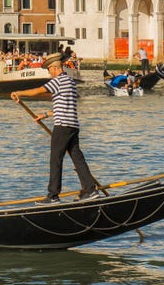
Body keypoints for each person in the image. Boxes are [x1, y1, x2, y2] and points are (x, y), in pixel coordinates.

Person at [10, 54, 98, 204]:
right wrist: (45, 114)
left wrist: (19, 93)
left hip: (62, 126)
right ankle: (90, 189)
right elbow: (65, 106)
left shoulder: (57, 81)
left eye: (49, 70)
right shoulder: (70, 81)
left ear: (56, 68)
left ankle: (53, 195)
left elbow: (38, 90)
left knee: (55, 160)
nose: (49, 73)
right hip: (73, 126)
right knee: (78, 158)